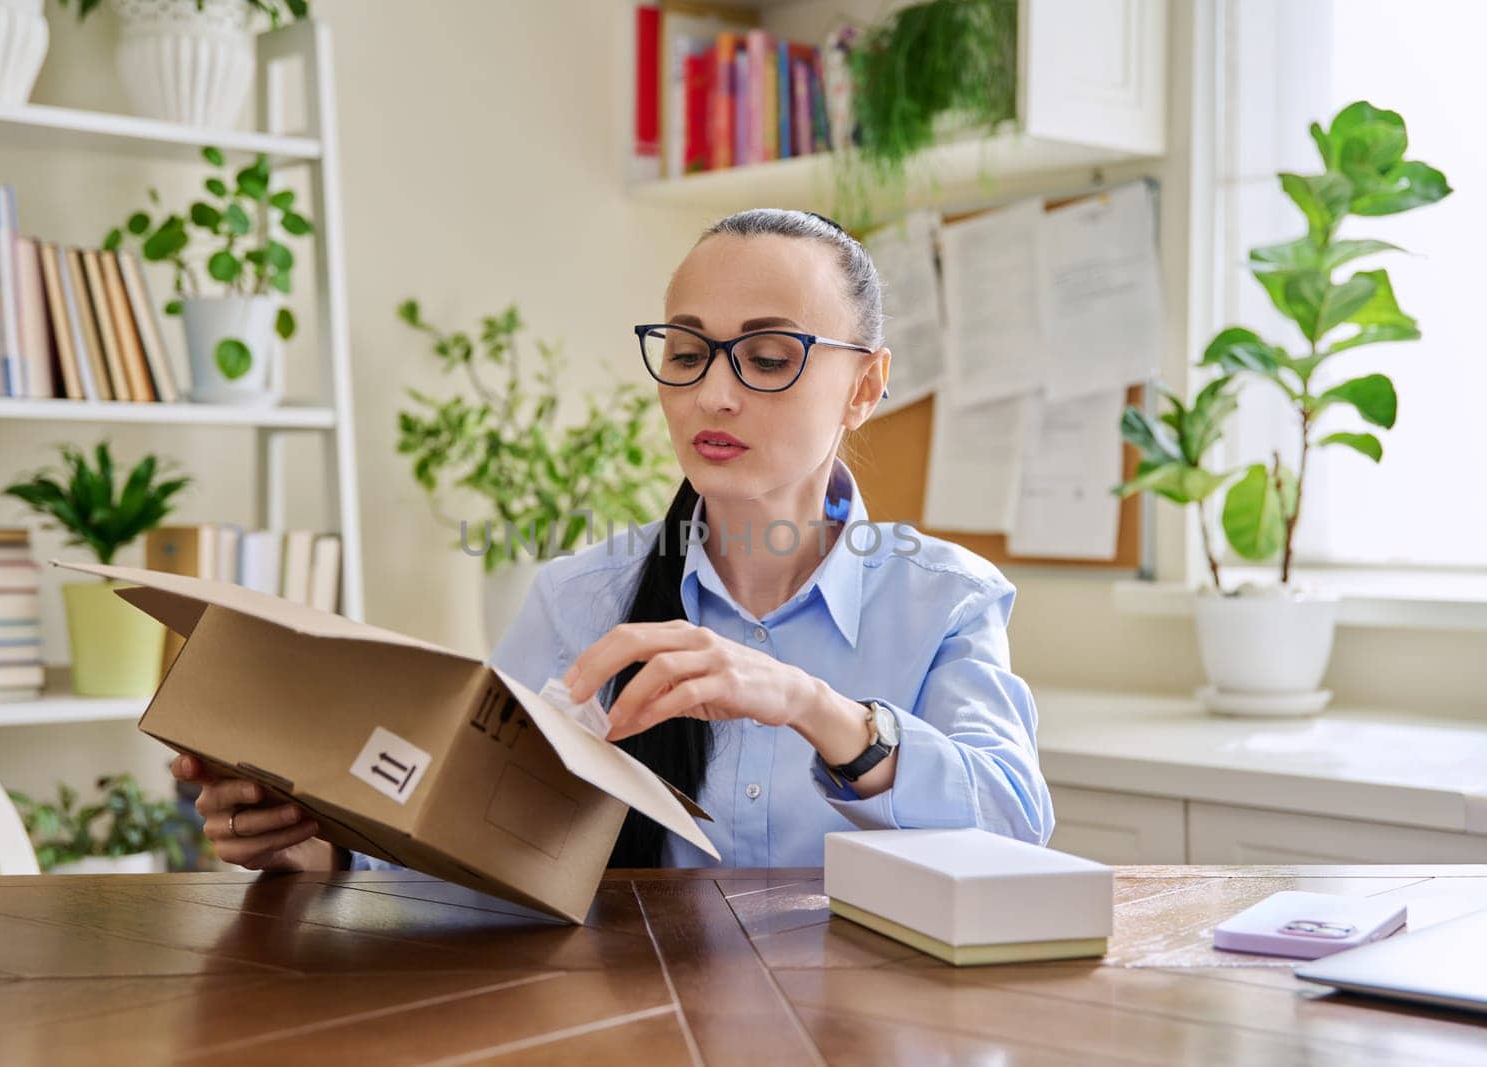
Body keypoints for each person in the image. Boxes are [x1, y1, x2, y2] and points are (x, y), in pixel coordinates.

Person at [173, 207, 1054, 872]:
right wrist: (318, 851)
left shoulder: (945, 597)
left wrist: (812, 707)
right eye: (686, 352)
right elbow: (489, 838)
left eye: (770, 356)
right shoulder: (583, 596)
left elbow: (1017, 827)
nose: (715, 394)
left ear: (865, 386)